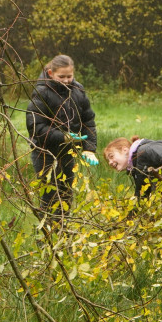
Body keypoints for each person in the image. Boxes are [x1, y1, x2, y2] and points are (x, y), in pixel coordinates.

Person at [25, 55, 98, 222]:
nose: (66, 80)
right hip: (45, 153)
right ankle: (47, 237)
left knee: (66, 194)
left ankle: (63, 234)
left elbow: (88, 121)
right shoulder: (42, 92)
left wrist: (89, 148)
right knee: (49, 196)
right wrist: (63, 137)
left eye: (69, 76)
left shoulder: (78, 90)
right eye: (61, 77)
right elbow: (36, 127)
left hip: (68, 152)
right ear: (51, 73)